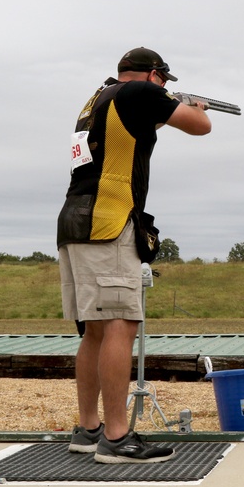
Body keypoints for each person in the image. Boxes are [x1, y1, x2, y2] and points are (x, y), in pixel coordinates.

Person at [57, 47, 211, 463]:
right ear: (153, 75)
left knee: (95, 330)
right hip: (109, 219)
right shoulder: (139, 93)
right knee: (122, 324)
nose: (164, 89)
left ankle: (90, 430)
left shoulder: (99, 100)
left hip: (75, 218)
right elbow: (201, 127)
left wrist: (165, 109)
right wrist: (193, 106)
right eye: (164, 81)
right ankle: (117, 437)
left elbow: (138, 127)